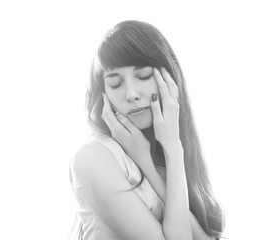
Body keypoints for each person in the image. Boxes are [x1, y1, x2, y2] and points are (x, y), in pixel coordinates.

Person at [68, 20, 225, 240]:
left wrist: (162, 155)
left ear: (170, 79)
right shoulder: (94, 157)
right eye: (115, 84)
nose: (131, 93)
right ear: (102, 93)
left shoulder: (163, 154)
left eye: (143, 76)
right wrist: (171, 149)